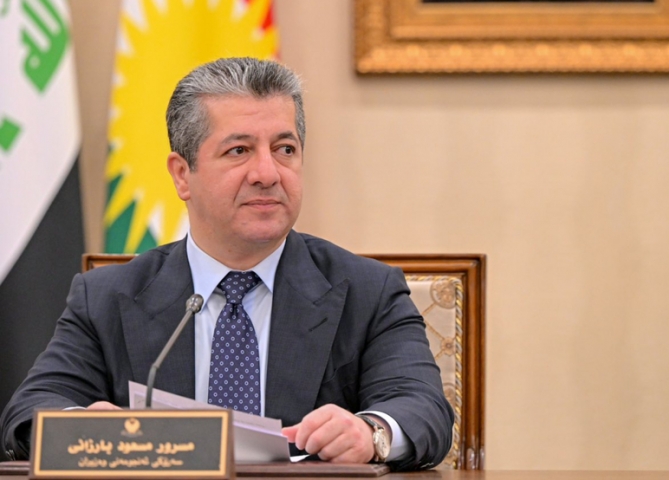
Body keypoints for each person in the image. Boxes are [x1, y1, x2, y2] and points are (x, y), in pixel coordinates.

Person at [0, 58, 453, 470]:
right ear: (182, 175)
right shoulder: (107, 297)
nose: (267, 173)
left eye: (285, 149)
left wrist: (372, 433)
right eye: (239, 151)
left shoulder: (367, 291)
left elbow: (424, 409)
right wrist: (80, 425)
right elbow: (30, 410)